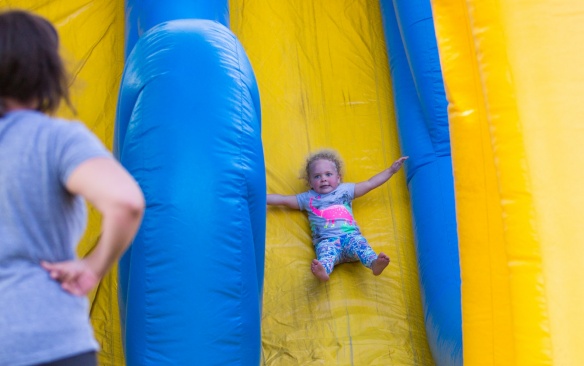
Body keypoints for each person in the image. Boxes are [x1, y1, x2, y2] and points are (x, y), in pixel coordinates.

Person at [0, 10, 145, 366]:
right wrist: (94, 266)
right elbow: (126, 202)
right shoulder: (54, 140)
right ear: (46, 72)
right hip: (42, 337)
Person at [267, 149, 407, 282]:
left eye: (328, 174)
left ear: (338, 178)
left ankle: (374, 263)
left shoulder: (345, 190)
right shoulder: (307, 198)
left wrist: (391, 170)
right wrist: (260, 197)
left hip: (350, 238)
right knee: (325, 255)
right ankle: (324, 271)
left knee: (361, 245)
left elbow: (370, 183)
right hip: (328, 241)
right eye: (317, 176)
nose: (323, 179)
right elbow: (283, 199)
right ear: (309, 182)